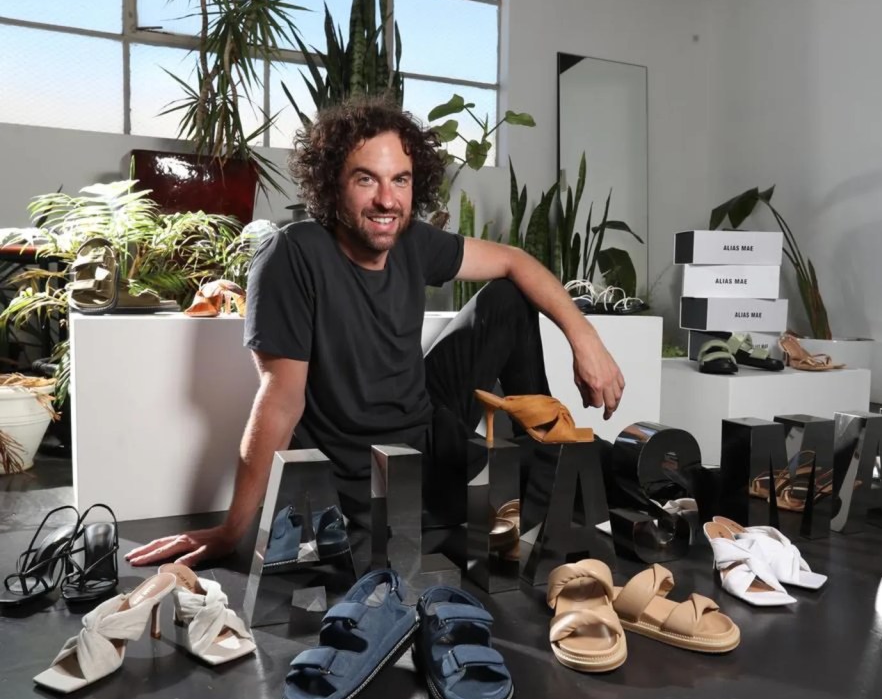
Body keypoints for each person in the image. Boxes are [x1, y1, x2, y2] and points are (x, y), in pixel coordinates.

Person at [125, 96, 625, 569]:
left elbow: (515, 260)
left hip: (426, 421)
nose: (387, 199)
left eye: (400, 180)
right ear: (332, 184)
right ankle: (546, 478)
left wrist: (586, 340)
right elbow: (280, 401)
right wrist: (231, 531)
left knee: (510, 302)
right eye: (366, 179)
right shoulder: (292, 256)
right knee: (580, 489)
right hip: (374, 469)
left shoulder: (410, 239)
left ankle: (548, 448)